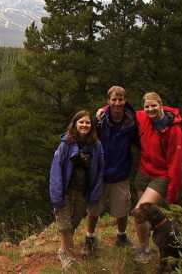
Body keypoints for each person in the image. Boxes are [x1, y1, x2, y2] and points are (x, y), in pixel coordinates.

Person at [84, 86, 138, 257]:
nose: (117, 103)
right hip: (100, 174)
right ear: (108, 101)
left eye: (120, 99)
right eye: (114, 99)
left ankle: (121, 237)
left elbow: (141, 142)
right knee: (94, 210)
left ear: (125, 100)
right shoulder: (99, 120)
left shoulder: (131, 122)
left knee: (122, 209)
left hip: (121, 173)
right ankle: (89, 239)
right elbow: (86, 135)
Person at [132, 92, 182, 264]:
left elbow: (176, 163)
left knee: (139, 210)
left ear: (161, 105)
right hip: (144, 171)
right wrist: (103, 110)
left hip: (161, 176)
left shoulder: (174, 129)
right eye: (147, 106)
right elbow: (120, 111)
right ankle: (144, 248)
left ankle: (156, 249)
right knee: (142, 215)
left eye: (154, 105)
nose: (150, 109)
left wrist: (172, 191)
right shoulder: (142, 117)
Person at [49, 110, 105, 269]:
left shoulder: (96, 145)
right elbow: (56, 169)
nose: (84, 125)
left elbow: (100, 169)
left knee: (73, 222)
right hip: (65, 191)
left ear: (91, 125)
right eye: (81, 122)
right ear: (74, 124)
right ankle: (68, 256)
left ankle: (62, 250)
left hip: (83, 191)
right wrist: (56, 194)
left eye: (87, 122)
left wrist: (95, 191)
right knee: (65, 224)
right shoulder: (66, 143)